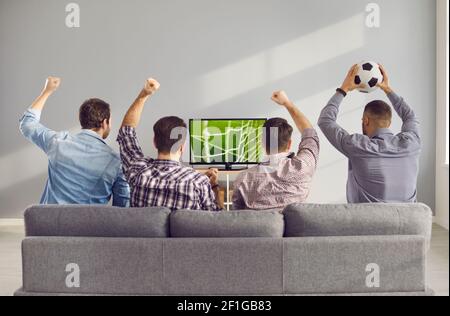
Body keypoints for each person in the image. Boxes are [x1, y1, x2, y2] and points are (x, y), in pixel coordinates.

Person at [318, 65, 421, 203]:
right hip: (409, 220)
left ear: (366, 121)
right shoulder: (411, 143)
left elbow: (325, 120)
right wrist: (387, 89)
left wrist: (343, 89)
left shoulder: (358, 145)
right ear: (389, 123)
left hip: (367, 222)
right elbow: (410, 117)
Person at [19, 77, 130, 206]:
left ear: (82, 120)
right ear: (105, 122)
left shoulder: (58, 142)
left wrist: (47, 91)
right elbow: (122, 211)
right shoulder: (117, 163)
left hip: (47, 224)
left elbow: (27, 124)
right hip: (88, 226)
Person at [117, 78, 223, 211]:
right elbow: (217, 220)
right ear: (182, 147)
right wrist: (214, 186)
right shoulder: (198, 182)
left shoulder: (138, 171)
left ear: (154, 142)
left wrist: (144, 95)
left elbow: (126, 131)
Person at [232, 91, 320, 210]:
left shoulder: (243, 179)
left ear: (262, 143)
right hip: (294, 229)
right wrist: (287, 104)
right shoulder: (303, 166)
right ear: (289, 144)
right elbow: (310, 135)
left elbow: (237, 217)